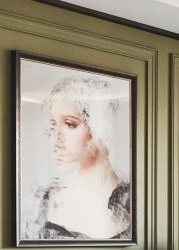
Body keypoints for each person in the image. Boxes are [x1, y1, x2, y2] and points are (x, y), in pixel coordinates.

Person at [27, 75, 131, 240]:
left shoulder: (132, 199)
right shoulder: (47, 200)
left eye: (69, 124)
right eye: (53, 125)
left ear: (99, 126)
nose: (56, 138)